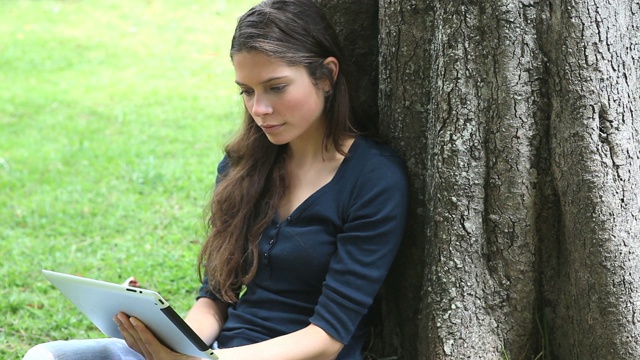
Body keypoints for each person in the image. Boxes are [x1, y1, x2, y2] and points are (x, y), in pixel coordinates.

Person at [23, 0, 408, 359]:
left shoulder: (374, 179)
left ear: (326, 76)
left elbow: (326, 339)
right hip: (219, 352)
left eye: (276, 87)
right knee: (45, 356)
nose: (260, 108)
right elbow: (215, 298)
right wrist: (168, 338)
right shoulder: (243, 165)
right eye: (247, 91)